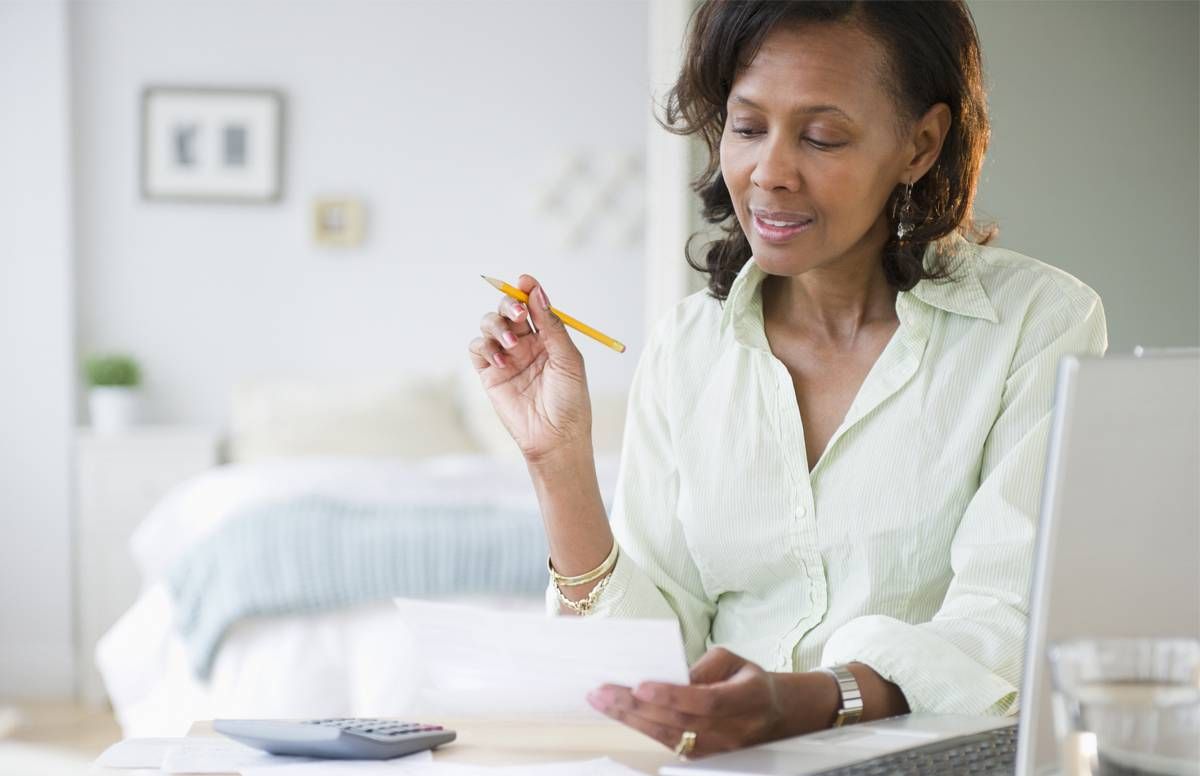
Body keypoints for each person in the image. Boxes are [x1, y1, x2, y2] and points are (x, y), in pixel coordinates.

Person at [467, 0, 1106, 760]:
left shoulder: (1038, 325)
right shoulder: (687, 348)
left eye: (822, 136)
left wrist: (810, 701)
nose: (769, 172)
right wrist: (558, 463)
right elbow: (651, 656)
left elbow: (1007, 620)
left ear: (921, 144)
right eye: (745, 127)